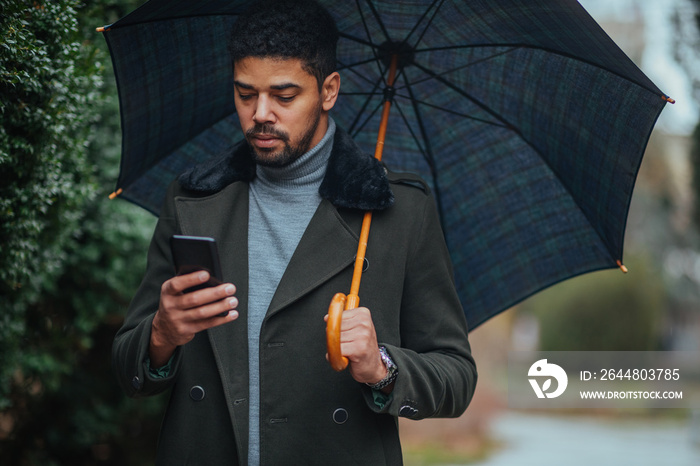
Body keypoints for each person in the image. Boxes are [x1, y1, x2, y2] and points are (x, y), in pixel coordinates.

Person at [112, 0, 477, 464]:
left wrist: (380, 367)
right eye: (246, 94)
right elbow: (128, 368)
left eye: (284, 96)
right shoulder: (193, 199)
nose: (261, 113)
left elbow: (456, 377)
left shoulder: (399, 211)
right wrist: (162, 333)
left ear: (328, 90)